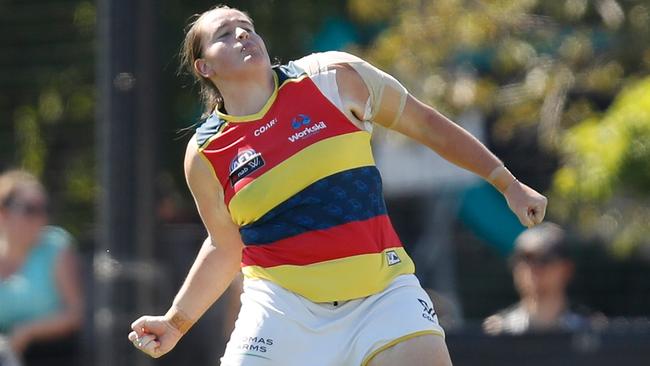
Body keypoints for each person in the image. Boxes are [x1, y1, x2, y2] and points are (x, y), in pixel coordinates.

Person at [128, 5, 547, 365]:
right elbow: (225, 245)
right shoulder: (205, 153)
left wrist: (506, 182)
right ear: (205, 67)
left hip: (381, 294)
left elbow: (427, 125)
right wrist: (175, 321)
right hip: (282, 308)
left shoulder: (334, 77)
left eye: (248, 27)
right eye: (224, 33)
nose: (243, 34)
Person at [0, 170, 83, 365]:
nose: (40, 218)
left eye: (43, 209)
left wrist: (26, 332)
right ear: (3, 214)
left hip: (54, 356)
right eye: (30, 209)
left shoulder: (56, 246)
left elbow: (75, 314)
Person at [483, 223, 591, 335]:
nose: (533, 268)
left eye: (544, 259)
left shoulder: (590, 331)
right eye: (524, 258)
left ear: (566, 269)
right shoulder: (498, 331)